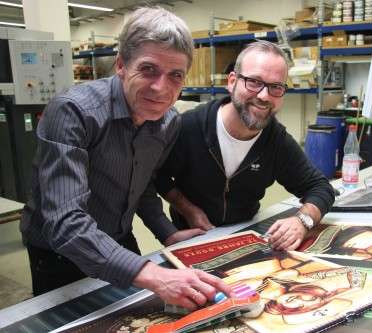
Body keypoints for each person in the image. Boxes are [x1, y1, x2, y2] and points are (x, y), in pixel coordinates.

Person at [20, 7, 232, 310]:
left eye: (175, 76)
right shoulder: (73, 113)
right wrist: (154, 276)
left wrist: (167, 234)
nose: (161, 88)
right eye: (148, 70)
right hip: (58, 254)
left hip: (119, 238)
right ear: (121, 65)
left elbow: (141, 182)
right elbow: (65, 222)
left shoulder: (167, 121)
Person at [156, 40, 335, 251]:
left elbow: (320, 187)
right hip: (190, 238)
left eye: (275, 87)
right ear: (232, 81)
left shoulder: (275, 140)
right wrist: (187, 209)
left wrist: (302, 221)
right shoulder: (189, 127)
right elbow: (157, 176)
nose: (263, 96)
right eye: (254, 82)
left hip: (244, 234)